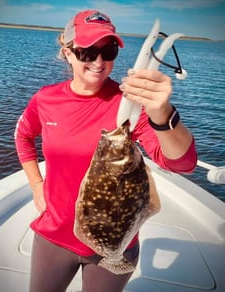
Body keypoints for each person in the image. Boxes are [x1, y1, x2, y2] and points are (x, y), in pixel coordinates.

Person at [15, 9, 197, 292]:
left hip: (117, 240)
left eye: (108, 50)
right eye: (87, 51)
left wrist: (163, 114)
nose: (99, 61)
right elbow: (23, 137)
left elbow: (182, 165)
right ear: (68, 52)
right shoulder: (45, 99)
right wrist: (37, 185)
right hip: (54, 236)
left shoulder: (131, 106)